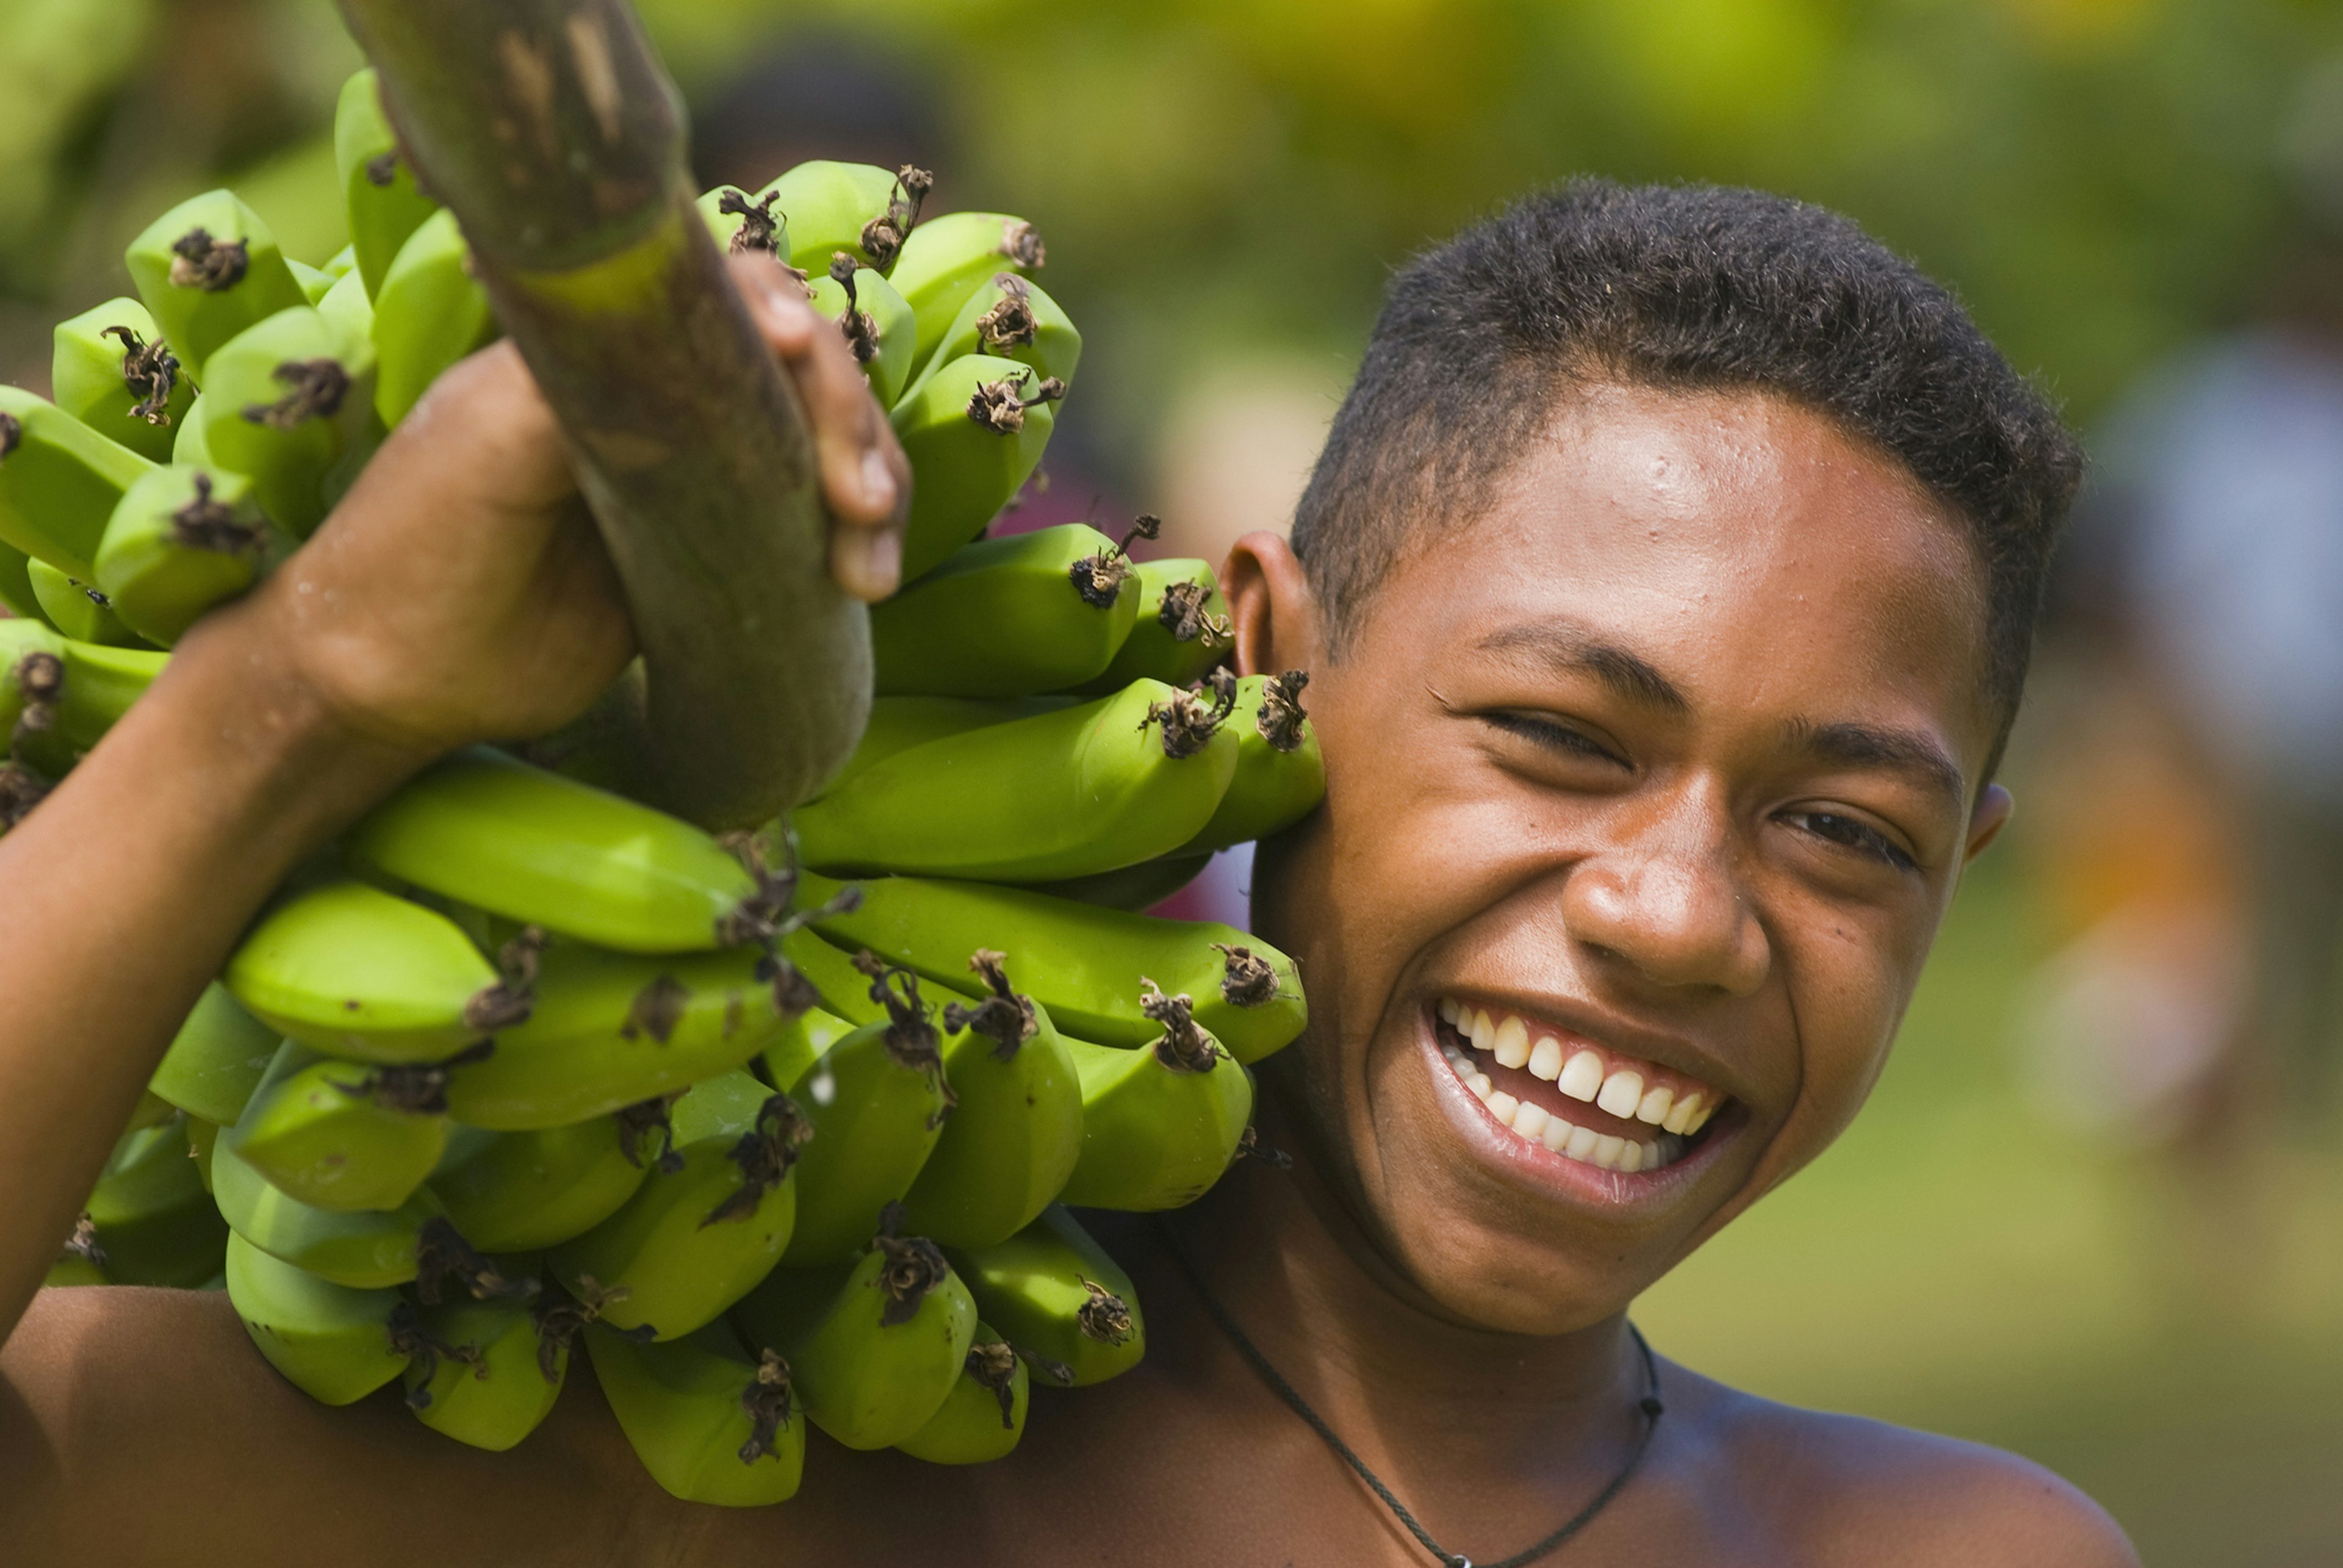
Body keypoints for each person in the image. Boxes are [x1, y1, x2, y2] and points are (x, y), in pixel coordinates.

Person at [0, 183, 2137, 1564]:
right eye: (1563, 738)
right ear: (1266, 662)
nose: (1673, 914)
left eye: (1843, 829)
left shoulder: (1958, 1549)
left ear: (1964, 862)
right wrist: (306, 693)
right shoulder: (706, 1442)